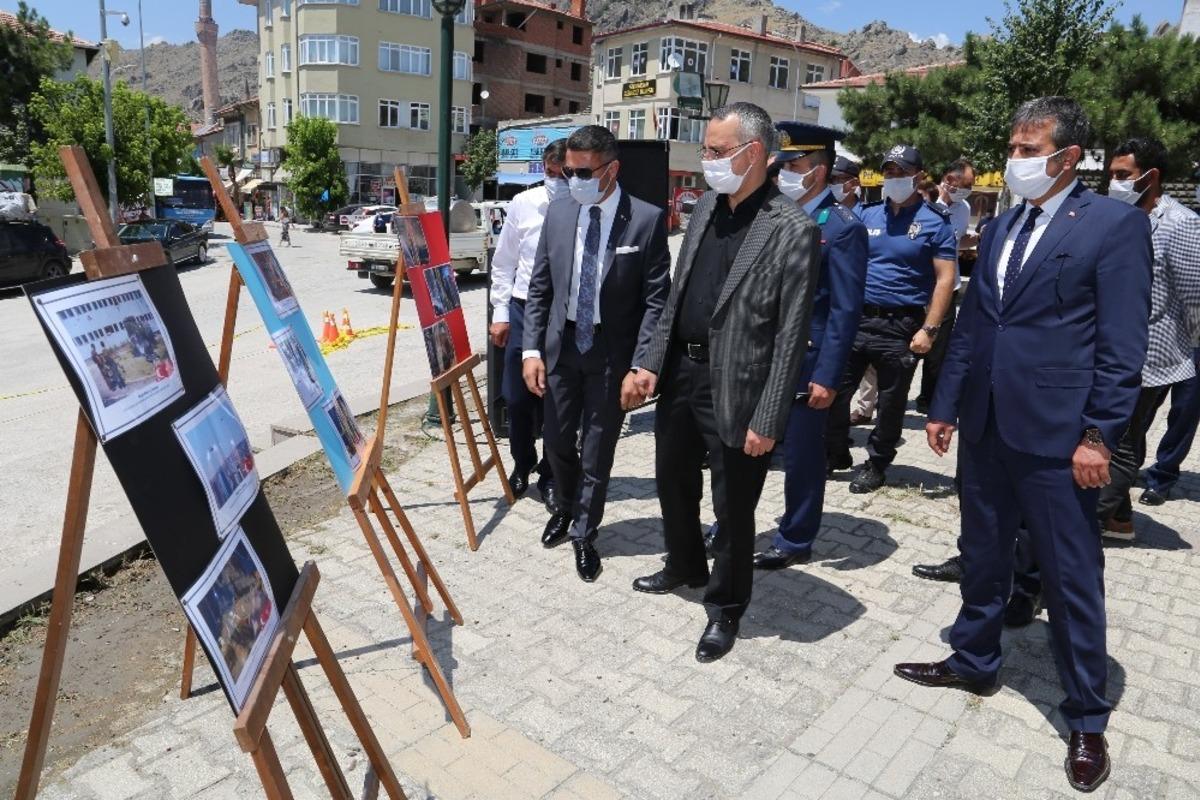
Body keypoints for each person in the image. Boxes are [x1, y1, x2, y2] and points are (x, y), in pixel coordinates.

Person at [895, 96, 1152, 794]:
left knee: (1070, 578)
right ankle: (973, 658)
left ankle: (1086, 714)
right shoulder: (1002, 225)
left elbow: (1122, 344)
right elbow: (976, 326)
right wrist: (944, 405)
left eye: (1028, 150)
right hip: (985, 427)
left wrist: (1100, 434)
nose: (1015, 161)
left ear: (1068, 158)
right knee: (982, 554)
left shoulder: (1114, 226)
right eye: (1012, 148)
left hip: (1060, 439)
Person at [630, 102, 821, 662]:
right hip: (683, 375)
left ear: (753, 154)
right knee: (673, 481)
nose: (706, 161)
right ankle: (683, 564)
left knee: (733, 507)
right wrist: (650, 362)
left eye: (716, 152)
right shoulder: (707, 207)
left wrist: (769, 418)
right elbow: (678, 294)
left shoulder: (793, 229)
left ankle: (726, 607)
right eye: (706, 150)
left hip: (739, 386)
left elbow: (791, 333)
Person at [522, 125, 670, 582]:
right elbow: (540, 287)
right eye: (569, 170)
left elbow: (656, 300)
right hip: (562, 346)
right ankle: (565, 507)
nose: (574, 179)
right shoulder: (560, 211)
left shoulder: (645, 219)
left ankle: (585, 530)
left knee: (598, 448)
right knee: (559, 440)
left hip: (610, 353)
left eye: (584, 172)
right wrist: (531, 349)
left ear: (612, 169)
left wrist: (642, 365)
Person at [754, 121, 867, 571]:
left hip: (808, 360)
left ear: (818, 173)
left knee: (802, 455)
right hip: (763, 357)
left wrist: (828, 376)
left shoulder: (842, 228)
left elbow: (844, 309)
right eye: (781, 166)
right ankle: (732, 521)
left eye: (793, 166)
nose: (783, 174)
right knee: (750, 446)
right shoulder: (773, 217)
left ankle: (796, 536)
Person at [826, 144, 957, 493]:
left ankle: (878, 462)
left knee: (890, 403)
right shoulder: (867, 215)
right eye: (889, 171)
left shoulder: (935, 223)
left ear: (919, 176)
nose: (894, 178)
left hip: (902, 326)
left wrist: (930, 328)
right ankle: (837, 451)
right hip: (858, 320)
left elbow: (945, 279)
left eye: (901, 171)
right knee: (833, 392)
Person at [1094, 137, 1200, 538]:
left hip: (1152, 356)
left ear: (1151, 177)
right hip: (1108, 350)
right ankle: (1119, 520)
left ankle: (1084, 524)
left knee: (1120, 442)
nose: (1115, 183)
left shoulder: (1181, 223)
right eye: (1112, 175)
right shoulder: (1114, 216)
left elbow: (1195, 296)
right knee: (1117, 434)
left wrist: (1184, 351)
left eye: (1124, 175)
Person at [489, 139, 568, 510]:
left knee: (558, 400)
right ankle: (522, 463)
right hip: (522, 311)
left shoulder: (585, 205)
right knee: (517, 397)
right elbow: (504, 262)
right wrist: (500, 313)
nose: (557, 180)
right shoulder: (523, 204)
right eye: (550, 173)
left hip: (562, 313)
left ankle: (552, 474)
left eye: (564, 173)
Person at [917, 158, 977, 414]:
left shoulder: (963, 208)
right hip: (920, 286)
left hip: (948, 287)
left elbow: (954, 241)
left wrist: (972, 241)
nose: (969, 189)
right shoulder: (924, 203)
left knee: (938, 351)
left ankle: (928, 399)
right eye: (967, 184)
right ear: (950, 181)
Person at [1141, 344, 1200, 505]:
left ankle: (1162, 478)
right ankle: (1128, 464)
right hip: (1165, 339)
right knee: (1142, 408)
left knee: (1184, 415)